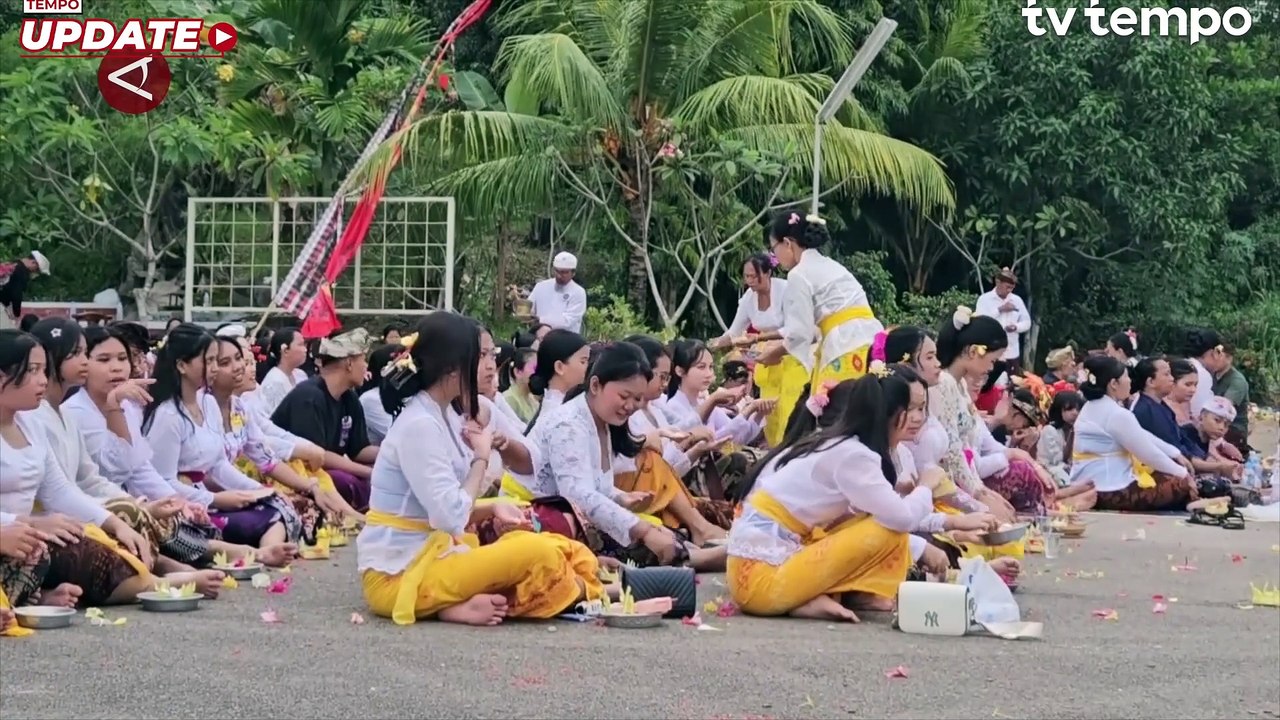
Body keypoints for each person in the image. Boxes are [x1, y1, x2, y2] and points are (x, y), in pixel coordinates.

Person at [357, 312, 602, 627]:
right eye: (480, 357)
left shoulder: (443, 414)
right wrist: (481, 457)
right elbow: (448, 516)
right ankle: (591, 590)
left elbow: (438, 511)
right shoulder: (420, 424)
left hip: (436, 555)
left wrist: (493, 507)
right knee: (541, 556)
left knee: (560, 546)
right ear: (453, 368)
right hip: (399, 575)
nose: (488, 366)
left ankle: (450, 606)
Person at [726, 372, 998, 621]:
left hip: (759, 571)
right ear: (892, 414)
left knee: (873, 524)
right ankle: (817, 598)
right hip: (759, 582)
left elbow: (881, 513)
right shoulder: (854, 455)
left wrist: (947, 521)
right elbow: (900, 519)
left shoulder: (845, 446)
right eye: (912, 410)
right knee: (887, 531)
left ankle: (826, 597)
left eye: (922, 409)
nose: (919, 419)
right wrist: (926, 486)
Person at [754, 211, 884, 437]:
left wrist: (775, 354)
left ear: (787, 243)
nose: (774, 256)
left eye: (773, 249)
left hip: (842, 347)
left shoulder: (798, 274)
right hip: (870, 341)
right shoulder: (832, 266)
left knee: (836, 417)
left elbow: (800, 333)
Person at [271, 328, 379, 512]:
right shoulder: (309, 397)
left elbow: (359, 449)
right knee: (345, 480)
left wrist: (393, 454)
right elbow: (318, 455)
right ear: (349, 363)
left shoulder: (349, 398)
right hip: (296, 472)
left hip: (323, 471)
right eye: (364, 359)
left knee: (362, 479)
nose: (366, 366)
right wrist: (370, 473)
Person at [1068, 356, 1193, 512]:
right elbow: (1149, 454)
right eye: (1126, 377)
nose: (1130, 381)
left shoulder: (1092, 407)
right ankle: (1192, 502)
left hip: (1089, 483)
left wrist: (1174, 453)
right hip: (1108, 489)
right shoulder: (1115, 413)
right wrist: (1183, 474)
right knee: (1180, 483)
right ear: (1113, 384)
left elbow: (1140, 434)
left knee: (1169, 475)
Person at [709, 253, 801, 447]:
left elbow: (794, 328)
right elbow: (734, 331)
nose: (749, 281)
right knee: (770, 410)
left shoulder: (786, 290)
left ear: (767, 273)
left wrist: (760, 337)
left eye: (754, 276)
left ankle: (791, 446)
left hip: (790, 355)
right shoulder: (748, 299)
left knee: (790, 407)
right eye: (746, 276)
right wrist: (716, 343)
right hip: (767, 360)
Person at [522, 329, 589, 429]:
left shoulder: (559, 405)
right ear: (559, 367)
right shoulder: (558, 415)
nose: (587, 367)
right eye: (583, 362)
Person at [974, 267, 1031, 372]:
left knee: (1013, 382)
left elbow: (1027, 322)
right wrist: (1000, 309)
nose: (1009, 291)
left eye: (1012, 288)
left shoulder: (1016, 300)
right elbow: (979, 321)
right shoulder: (984, 299)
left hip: (1012, 352)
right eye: (1007, 287)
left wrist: (1016, 327)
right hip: (991, 351)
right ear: (998, 282)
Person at [527, 252, 587, 333]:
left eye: (564, 272)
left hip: (566, 336)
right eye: (557, 271)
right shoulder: (541, 286)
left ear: (573, 273)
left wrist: (540, 320)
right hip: (538, 331)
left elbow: (567, 321)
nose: (559, 276)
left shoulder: (578, 292)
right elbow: (529, 309)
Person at [255, 327, 309, 416]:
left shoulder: (300, 374)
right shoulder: (274, 382)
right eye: (300, 345)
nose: (305, 349)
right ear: (285, 350)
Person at [1210, 343, 1251, 456]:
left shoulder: (1237, 381)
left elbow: (1223, 408)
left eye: (1218, 355)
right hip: (1215, 424)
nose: (1213, 359)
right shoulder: (1212, 375)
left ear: (1229, 358)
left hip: (1233, 428)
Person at [0, 251, 51, 330]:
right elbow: (16, 294)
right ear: (33, 262)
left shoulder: (13, 263)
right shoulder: (21, 272)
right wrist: (16, 313)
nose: (34, 272)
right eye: (36, 269)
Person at [1182, 328, 1227, 416]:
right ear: (1213, 352)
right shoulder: (1202, 375)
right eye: (1219, 352)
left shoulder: (1183, 365)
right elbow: (1199, 411)